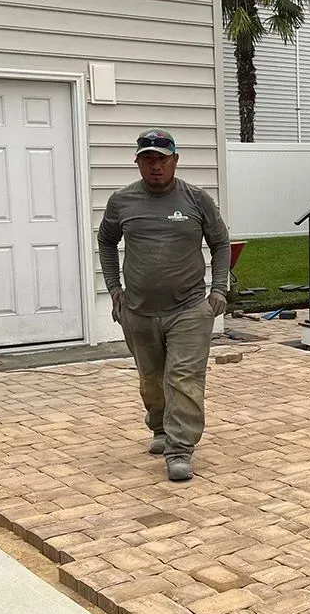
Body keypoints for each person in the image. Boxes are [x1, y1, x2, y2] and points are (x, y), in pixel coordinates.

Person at [98, 129, 230, 482]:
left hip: (188, 309)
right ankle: (159, 427)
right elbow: (107, 242)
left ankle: (180, 448)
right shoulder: (121, 202)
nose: (156, 166)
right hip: (138, 311)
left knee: (183, 379)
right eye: (148, 159)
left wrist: (218, 290)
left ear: (175, 160)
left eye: (162, 159)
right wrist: (115, 290)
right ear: (138, 162)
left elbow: (220, 243)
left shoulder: (196, 200)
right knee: (151, 381)